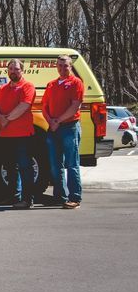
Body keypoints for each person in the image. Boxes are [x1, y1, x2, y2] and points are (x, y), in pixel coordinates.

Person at [0, 59, 37, 209]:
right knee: (10, 168)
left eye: (16, 69)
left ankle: (27, 199)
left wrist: (6, 119)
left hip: (23, 134)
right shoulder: (3, 88)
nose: (13, 71)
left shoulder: (27, 86)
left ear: (22, 70)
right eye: (10, 69)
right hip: (6, 135)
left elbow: (24, 105)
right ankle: (13, 197)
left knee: (25, 167)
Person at [42, 55, 85, 209]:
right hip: (53, 129)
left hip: (69, 127)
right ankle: (60, 197)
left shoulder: (76, 83)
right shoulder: (51, 84)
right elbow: (44, 106)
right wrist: (51, 122)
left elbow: (75, 106)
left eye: (65, 66)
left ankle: (75, 197)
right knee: (55, 165)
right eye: (59, 66)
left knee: (72, 163)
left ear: (70, 66)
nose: (62, 68)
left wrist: (57, 121)